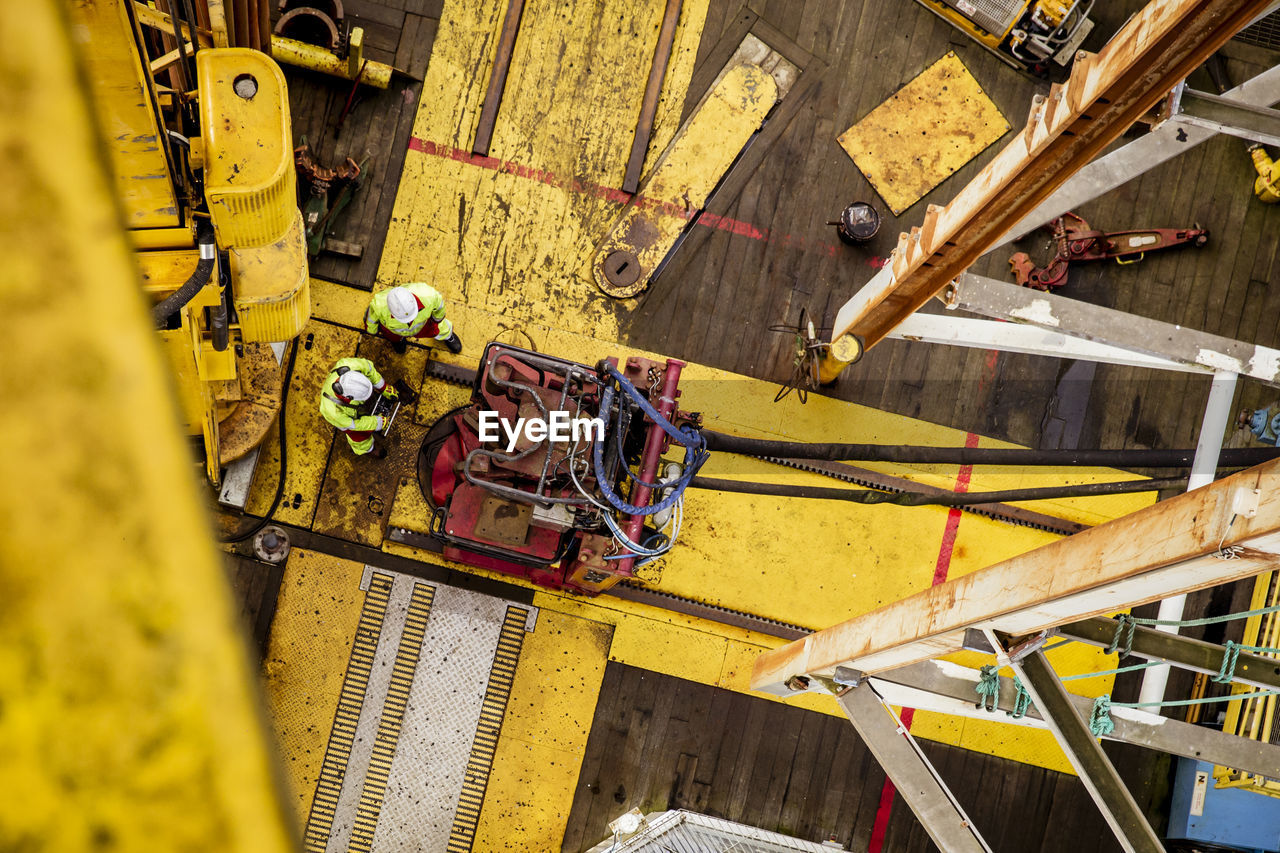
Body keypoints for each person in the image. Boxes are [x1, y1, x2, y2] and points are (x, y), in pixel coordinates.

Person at [318, 357, 397, 458]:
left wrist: (383, 387)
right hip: (348, 420)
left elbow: (369, 370)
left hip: (355, 402)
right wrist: (376, 422)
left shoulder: (350, 364)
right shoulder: (331, 411)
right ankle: (366, 449)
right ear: (347, 397)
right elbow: (354, 425)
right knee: (358, 436)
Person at [365, 283, 462, 354]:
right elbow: (371, 320)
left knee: (440, 328)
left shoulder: (429, 295)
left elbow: (440, 308)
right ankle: (398, 342)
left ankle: (448, 336)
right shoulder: (378, 305)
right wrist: (372, 331)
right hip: (394, 332)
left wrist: (436, 320)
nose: (409, 320)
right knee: (393, 338)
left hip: (424, 325)